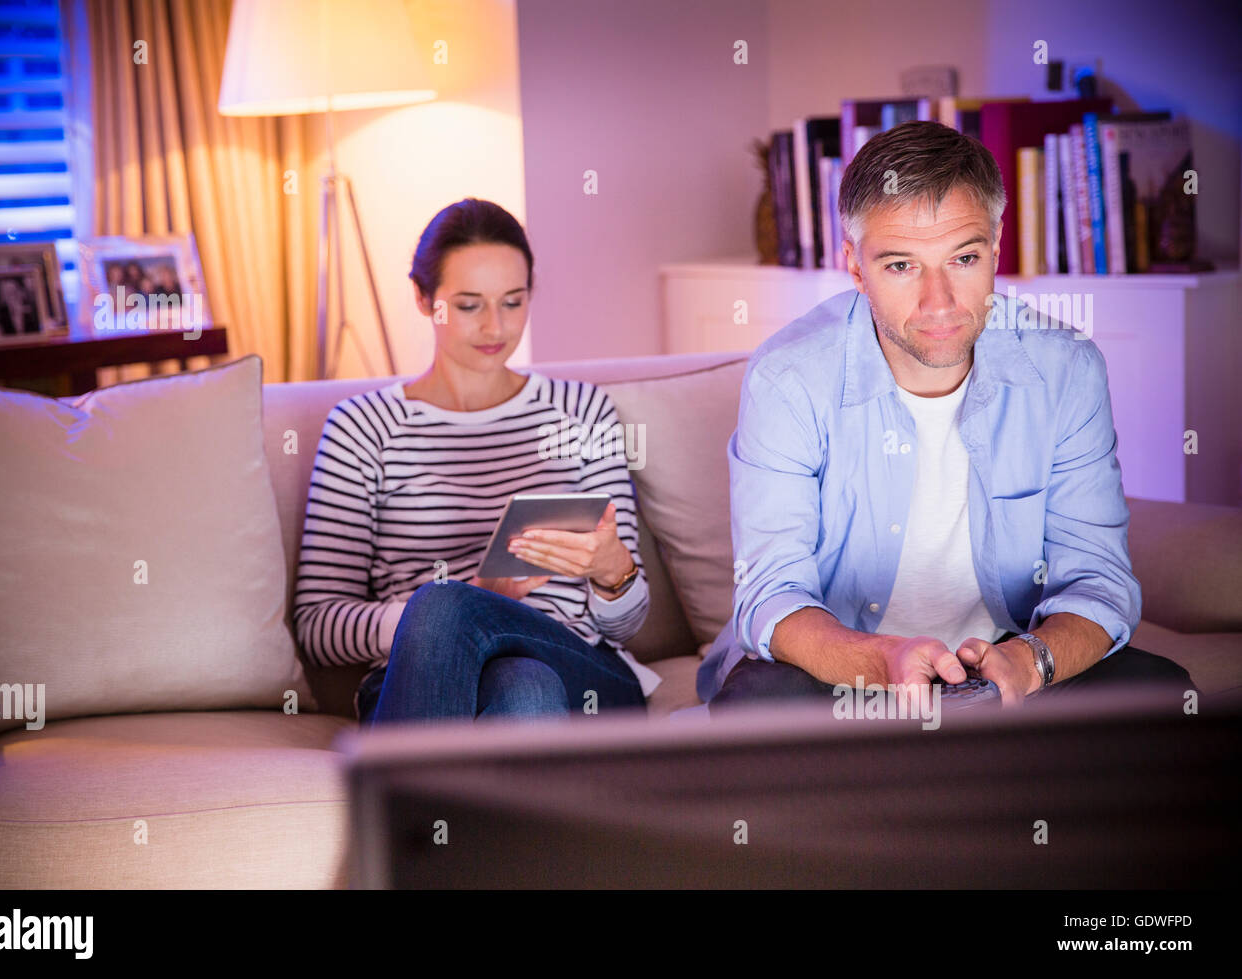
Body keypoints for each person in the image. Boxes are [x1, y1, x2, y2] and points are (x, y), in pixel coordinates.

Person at [698, 120, 1193, 710]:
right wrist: (880, 660)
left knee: (1161, 694)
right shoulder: (787, 378)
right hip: (843, 665)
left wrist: (1031, 662)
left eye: (962, 257)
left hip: (1007, 654)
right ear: (855, 266)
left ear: (996, 244)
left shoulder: (1067, 370)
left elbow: (1098, 580)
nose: (939, 303)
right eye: (901, 265)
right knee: (759, 709)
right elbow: (771, 595)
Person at [293, 198, 659, 723]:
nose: (495, 327)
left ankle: (405, 802)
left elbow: (626, 625)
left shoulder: (582, 411)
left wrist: (612, 569)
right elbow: (319, 626)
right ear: (423, 298)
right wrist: (464, 606)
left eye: (513, 301)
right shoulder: (363, 427)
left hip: (582, 667)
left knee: (463, 619)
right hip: (429, 675)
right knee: (512, 679)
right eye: (469, 305)